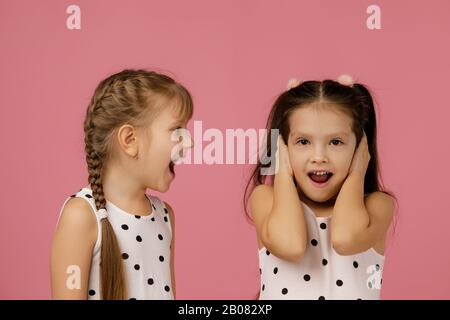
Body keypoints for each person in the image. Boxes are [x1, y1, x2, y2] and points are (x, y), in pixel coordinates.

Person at [245, 75, 397, 300]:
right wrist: (282, 171)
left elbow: (345, 239)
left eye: (336, 142)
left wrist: (357, 173)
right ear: (283, 146)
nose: (319, 157)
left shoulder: (377, 205)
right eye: (303, 142)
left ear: (359, 149)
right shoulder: (266, 199)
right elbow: (291, 245)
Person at [51, 69, 193, 299]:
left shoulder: (165, 216)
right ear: (130, 140)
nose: (190, 142)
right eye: (176, 130)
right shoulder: (81, 216)